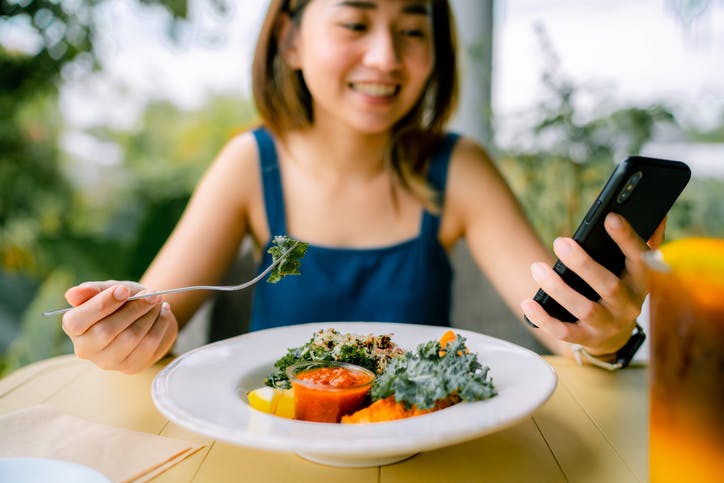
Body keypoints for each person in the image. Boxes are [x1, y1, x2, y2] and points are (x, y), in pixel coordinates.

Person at [60, 0, 662, 374]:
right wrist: (122, 330)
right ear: (291, 40)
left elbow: (558, 327)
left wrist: (605, 337)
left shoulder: (460, 169)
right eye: (354, 21)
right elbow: (156, 308)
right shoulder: (250, 164)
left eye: (413, 30)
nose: (386, 57)